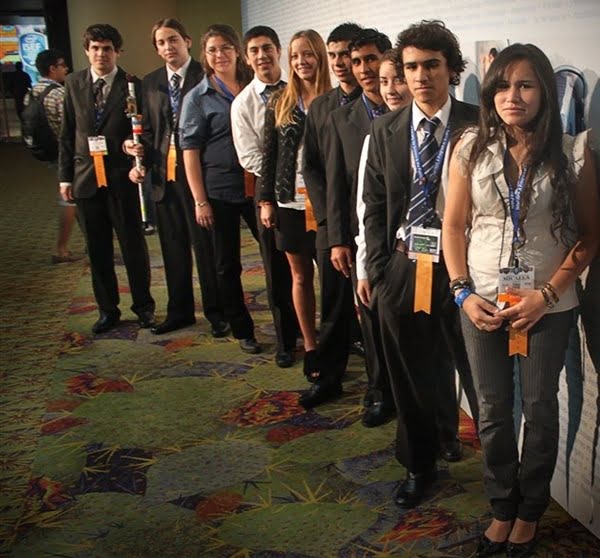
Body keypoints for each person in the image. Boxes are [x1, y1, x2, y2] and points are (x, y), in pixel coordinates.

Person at [443, 43, 600, 557]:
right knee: (491, 408)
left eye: (526, 85)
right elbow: (452, 226)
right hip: (481, 300)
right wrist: (462, 292)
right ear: (491, 92)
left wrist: (548, 293)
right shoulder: (470, 146)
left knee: (538, 407)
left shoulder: (574, 151)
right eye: (504, 85)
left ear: (544, 93)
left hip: (548, 305)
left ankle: (530, 511)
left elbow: (590, 236)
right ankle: (500, 506)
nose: (513, 96)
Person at [363, 20, 479, 508]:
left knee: (474, 371)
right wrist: (376, 270)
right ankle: (419, 462)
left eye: (431, 65)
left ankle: (497, 464)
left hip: (466, 270)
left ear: (451, 69)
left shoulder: (479, 122)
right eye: (411, 66)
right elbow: (372, 204)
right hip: (404, 266)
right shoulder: (386, 129)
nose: (420, 76)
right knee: (411, 372)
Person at [306, 28, 391, 412]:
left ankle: (392, 392)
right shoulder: (339, 116)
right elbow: (332, 180)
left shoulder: (404, 106)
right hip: (351, 234)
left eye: (368, 59)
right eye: (354, 61)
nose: (360, 68)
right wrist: (336, 235)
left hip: (401, 235)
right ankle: (365, 389)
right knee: (347, 312)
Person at [129, 18, 228, 338]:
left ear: (187, 41)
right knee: (172, 248)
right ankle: (180, 311)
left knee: (207, 249)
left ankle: (218, 312)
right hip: (164, 177)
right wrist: (134, 148)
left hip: (199, 175)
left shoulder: (207, 75)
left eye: (173, 40)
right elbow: (150, 131)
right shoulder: (151, 82)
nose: (168, 47)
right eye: (161, 43)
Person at [59, 23, 155, 334]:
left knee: (133, 248)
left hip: (122, 178)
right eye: (96, 48)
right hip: (86, 179)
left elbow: (142, 131)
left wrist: (133, 151)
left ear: (118, 52)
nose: (101, 54)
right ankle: (107, 310)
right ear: (87, 51)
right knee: (97, 250)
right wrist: (65, 178)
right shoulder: (73, 83)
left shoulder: (133, 85)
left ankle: (143, 307)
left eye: (108, 48)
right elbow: (66, 134)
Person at [180, 24, 260, 355]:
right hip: (219, 190)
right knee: (227, 264)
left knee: (278, 256)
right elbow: (190, 153)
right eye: (212, 50)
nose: (220, 55)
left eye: (226, 47)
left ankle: (291, 324)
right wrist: (200, 201)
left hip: (258, 187)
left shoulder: (254, 86)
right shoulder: (196, 98)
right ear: (205, 56)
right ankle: (242, 328)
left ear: (237, 50)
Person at [259, 29, 331, 381]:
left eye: (308, 54)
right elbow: (268, 156)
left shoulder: (335, 101)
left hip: (325, 206)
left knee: (334, 279)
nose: (302, 61)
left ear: (320, 57)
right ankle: (311, 344)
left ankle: (339, 339)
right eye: (296, 56)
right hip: (289, 202)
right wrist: (265, 199)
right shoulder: (280, 101)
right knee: (300, 276)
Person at [301, 22, 365, 409]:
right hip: (332, 226)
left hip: (372, 225)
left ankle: (382, 387)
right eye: (335, 55)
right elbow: (311, 167)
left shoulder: (377, 102)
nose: (340, 63)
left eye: (347, 55)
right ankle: (330, 378)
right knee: (335, 307)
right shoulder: (321, 106)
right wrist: (329, 220)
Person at [231, 25, 299, 368]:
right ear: (247, 57)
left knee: (320, 266)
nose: (262, 55)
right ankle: (286, 340)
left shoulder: (297, 90)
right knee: (277, 269)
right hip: (269, 191)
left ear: (278, 50)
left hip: (308, 190)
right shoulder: (243, 103)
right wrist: (273, 191)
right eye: (255, 50)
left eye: (268, 48)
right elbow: (251, 157)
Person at [27, 49, 83, 265]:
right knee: (70, 199)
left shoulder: (32, 92)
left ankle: (84, 242)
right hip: (66, 155)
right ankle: (61, 249)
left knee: (73, 197)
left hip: (47, 152)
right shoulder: (58, 94)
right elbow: (72, 127)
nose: (66, 69)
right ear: (53, 68)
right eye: (62, 65)